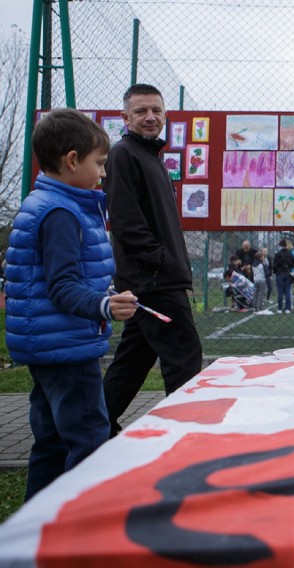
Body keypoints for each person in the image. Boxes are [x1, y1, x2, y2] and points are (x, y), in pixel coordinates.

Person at [4, 109, 138, 499]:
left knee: (50, 442)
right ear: (72, 160)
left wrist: (102, 296)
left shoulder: (46, 202)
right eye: (99, 163)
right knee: (90, 440)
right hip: (67, 348)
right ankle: (83, 525)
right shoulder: (61, 213)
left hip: (46, 344)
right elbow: (63, 286)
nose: (103, 173)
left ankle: (38, 523)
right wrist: (104, 305)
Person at [102, 84, 203, 437]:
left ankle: (95, 426)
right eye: (141, 111)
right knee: (184, 358)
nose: (150, 117)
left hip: (155, 278)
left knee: (133, 361)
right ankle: (184, 434)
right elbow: (127, 224)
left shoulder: (152, 158)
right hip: (154, 280)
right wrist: (161, 262)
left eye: (156, 111)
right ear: (125, 117)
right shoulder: (123, 155)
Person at [272, 239, 294, 313]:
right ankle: (288, 308)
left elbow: (275, 265)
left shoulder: (278, 254)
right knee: (288, 291)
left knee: (280, 292)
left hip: (279, 273)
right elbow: (293, 264)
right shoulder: (290, 253)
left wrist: (276, 271)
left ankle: (279, 308)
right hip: (288, 273)